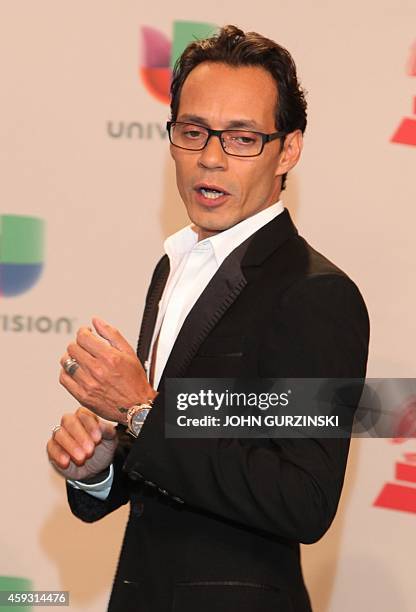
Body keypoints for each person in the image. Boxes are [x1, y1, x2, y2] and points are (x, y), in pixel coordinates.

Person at [46, 25, 370, 612]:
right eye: (193, 132)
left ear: (288, 149)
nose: (211, 157)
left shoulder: (315, 294)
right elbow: (180, 457)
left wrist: (140, 412)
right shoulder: (174, 267)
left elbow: (304, 498)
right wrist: (101, 468)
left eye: (242, 138)